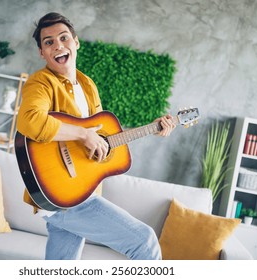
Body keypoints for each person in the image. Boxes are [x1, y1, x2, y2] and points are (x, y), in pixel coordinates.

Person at [16, 12, 176, 260]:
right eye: (48, 42)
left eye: (63, 37)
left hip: (76, 188)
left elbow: (102, 139)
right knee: (145, 242)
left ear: (76, 42)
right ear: (42, 53)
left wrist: (152, 128)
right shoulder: (41, 83)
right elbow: (29, 121)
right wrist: (82, 135)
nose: (57, 45)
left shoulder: (88, 85)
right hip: (64, 196)